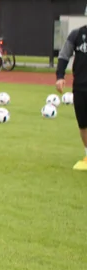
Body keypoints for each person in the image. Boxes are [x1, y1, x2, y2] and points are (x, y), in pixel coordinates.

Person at [55, 24, 87, 168]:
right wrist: (60, 76)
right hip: (80, 86)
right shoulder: (77, 34)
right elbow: (64, 55)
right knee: (83, 123)